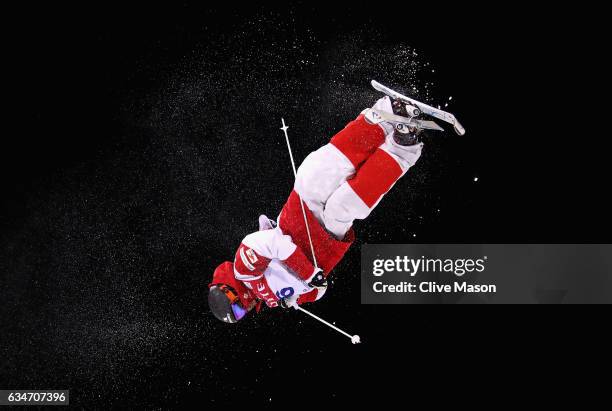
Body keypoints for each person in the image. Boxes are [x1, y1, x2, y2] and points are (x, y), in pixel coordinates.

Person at [208, 96, 424, 323]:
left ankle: (385, 116)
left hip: (300, 214)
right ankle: (402, 145)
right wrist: (301, 293)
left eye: (240, 309)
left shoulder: (244, 270)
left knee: (322, 170)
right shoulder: (273, 300)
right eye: (243, 315)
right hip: (324, 242)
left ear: (231, 293)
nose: (248, 309)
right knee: (349, 202)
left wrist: (308, 274)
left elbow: (270, 243)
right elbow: (319, 291)